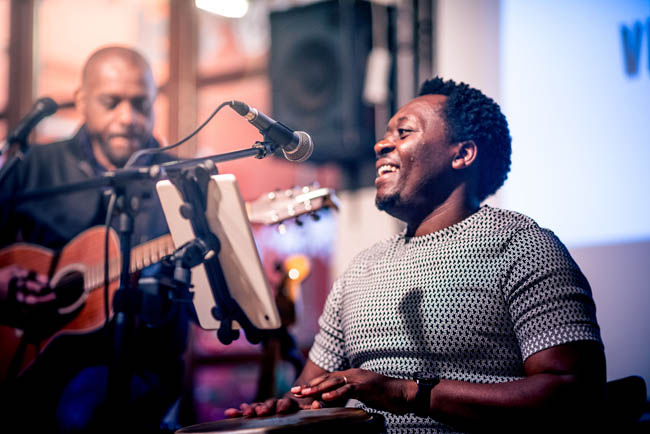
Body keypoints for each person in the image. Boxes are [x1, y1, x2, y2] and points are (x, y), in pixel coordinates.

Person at [224, 77, 605, 433]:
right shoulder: (361, 269)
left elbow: (573, 392)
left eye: (403, 132)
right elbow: (308, 394)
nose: (380, 145)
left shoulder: (522, 245)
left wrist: (410, 393)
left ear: (463, 154)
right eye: (386, 134)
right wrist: (284, 409)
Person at [0, 46, 188, 433]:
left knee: (81, 411)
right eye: (111, 101)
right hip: (30, 355)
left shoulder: (178, 179)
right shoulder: (36, 166)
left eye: (140, 103)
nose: (128, 117)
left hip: (139, 367)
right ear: (83, 102)